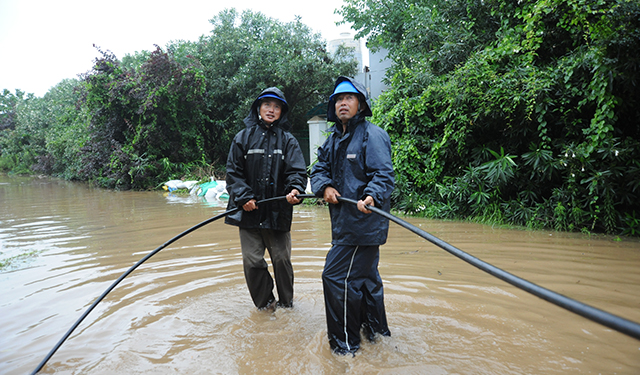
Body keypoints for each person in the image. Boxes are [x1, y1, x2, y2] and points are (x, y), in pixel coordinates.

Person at [310, 76, 395, 355]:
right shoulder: (333, 139)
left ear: (360, 104)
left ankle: (345, 347)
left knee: (335, 277)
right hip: (345, 224)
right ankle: (376, 334)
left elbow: (383, 174)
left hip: (364, 224)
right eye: (337, 99)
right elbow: (318, 169)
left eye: (348, 98)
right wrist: (325, 187)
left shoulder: (373, 135)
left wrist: (371, 196)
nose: (342, 103)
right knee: (366, 279)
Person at [225, 87, 307, 311]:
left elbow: (297, 172)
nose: (272, 110)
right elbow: (233, 173)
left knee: (282, 261)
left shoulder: (288, 141)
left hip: (278, 213)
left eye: (277, 106)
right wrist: (243, 197)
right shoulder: (242, 138)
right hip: (249, 214)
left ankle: (287, 306)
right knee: (252, 261)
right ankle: (266, 305)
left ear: (282, 111)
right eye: (267, 105)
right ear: (258, 108)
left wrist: (295, 190)